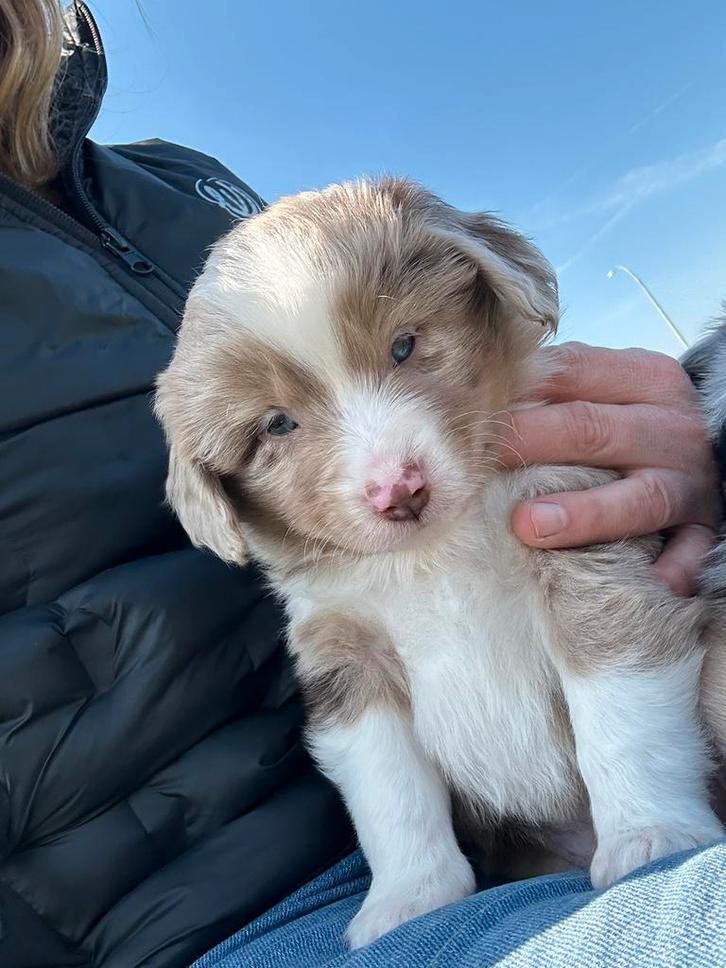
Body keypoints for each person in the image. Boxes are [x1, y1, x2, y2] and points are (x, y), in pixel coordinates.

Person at [0, 3, 722, 967]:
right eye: (284, 428)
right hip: (218, 922)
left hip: (601, 758)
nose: (388, 474)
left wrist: (686, 449)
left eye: (404, 350)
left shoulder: (172, 181)